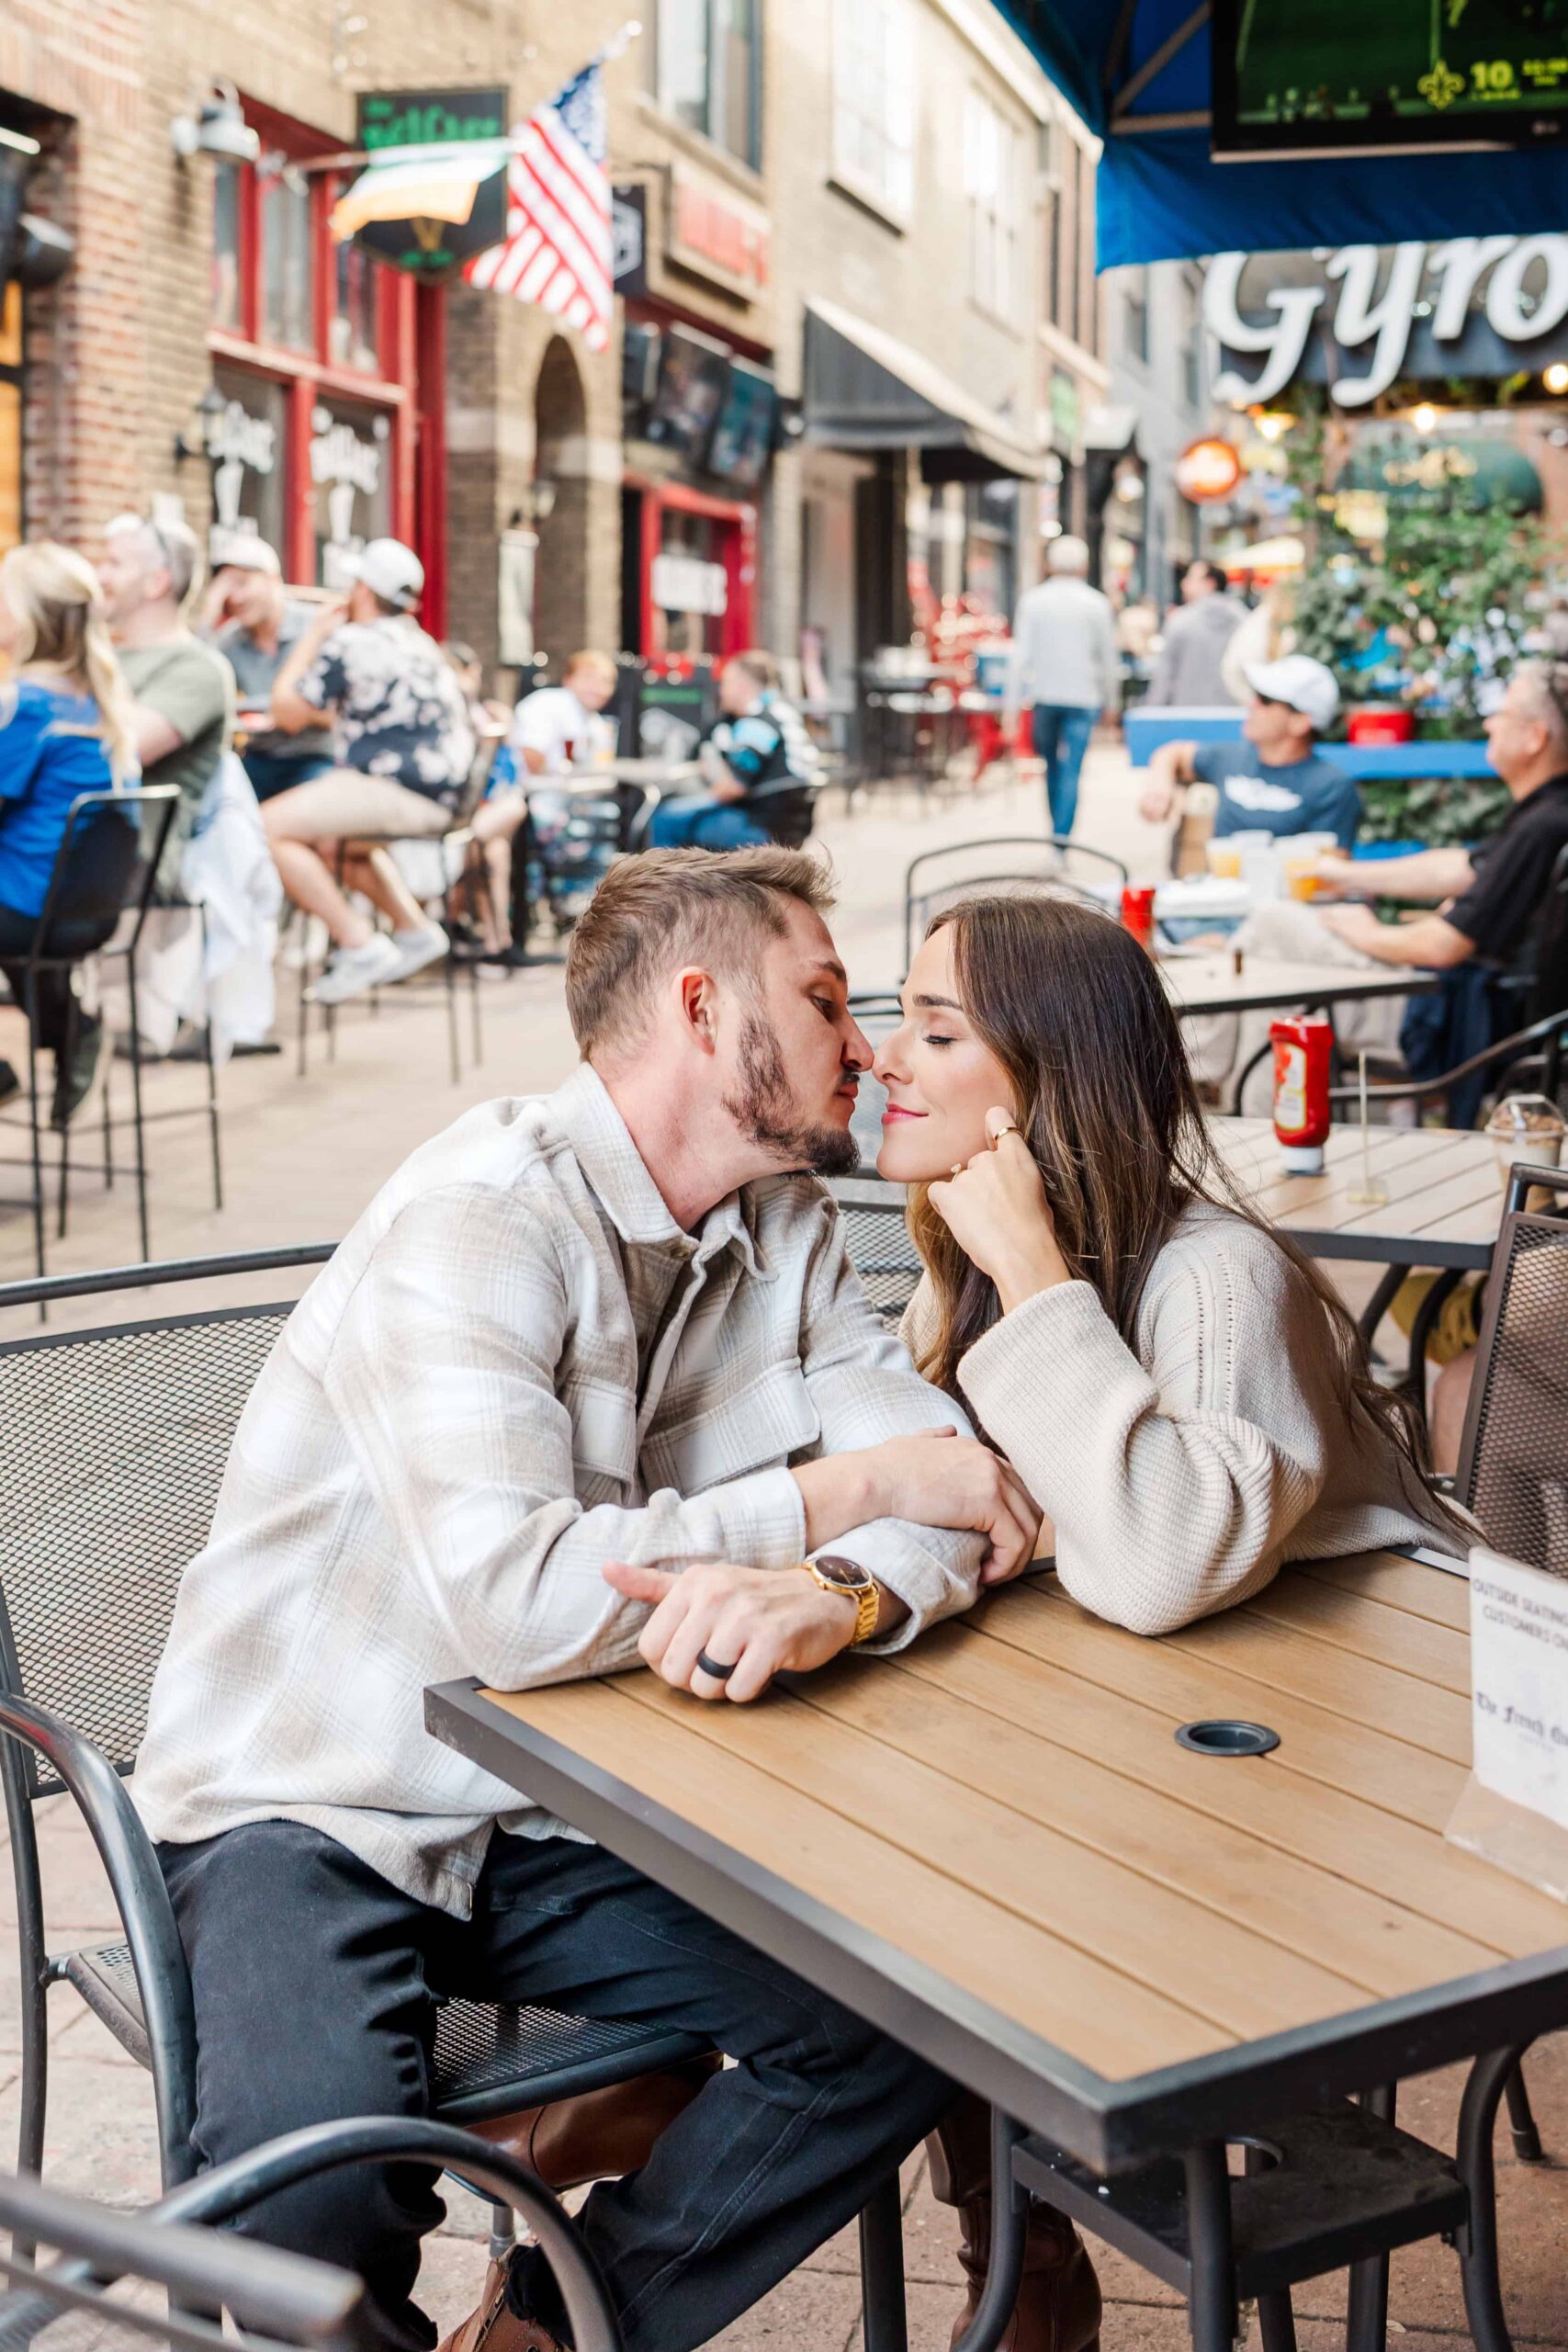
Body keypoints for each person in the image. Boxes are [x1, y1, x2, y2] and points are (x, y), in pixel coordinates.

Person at [131, 844, 1042, 2352]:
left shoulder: (783, 1228)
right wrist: (849, 1501)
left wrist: (836, 1594)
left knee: (913, 2013)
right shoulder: (482, 1213)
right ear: (701, 1009)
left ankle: (557, 2328)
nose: (866, 1047)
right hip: (318, 1802)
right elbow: (522, 1605)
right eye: (824, 1001)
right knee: (298, 2219)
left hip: (566, 1811)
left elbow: (962, 1485)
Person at [872, 888, 1463, 2352]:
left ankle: (1023, 2254)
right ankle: (1012, 2248)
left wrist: (1027, 1273)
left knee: (935, 1877)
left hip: (1336, 1781)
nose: (885, 1055)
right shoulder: (964, 1265)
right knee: (895, 1862)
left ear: (1046, 1079)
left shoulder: (1208, 1276)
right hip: (1146, 1732)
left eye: (933, 1029)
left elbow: (1143, 1564)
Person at [263, 538, 476, 1006]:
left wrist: (314, 634)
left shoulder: (349, 641)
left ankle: (358, 944)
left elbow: (286, 713)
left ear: (360, 590)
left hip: (399, 790)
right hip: (444, 796)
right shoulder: (419, 642)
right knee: (330, 842)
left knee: (264, 829)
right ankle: (414, 930)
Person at [0, 541, 139, 1126]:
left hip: (30, 906)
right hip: (80, 907)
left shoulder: (26, 703)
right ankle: (73, 1029)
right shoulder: (100, 700)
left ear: (26, 619)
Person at [97, 512, 234, 875]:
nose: (99, 576)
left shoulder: (200, 669)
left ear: (156, 583)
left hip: (129, 873)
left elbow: (119, 752)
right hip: (65, 853)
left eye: (114, 564)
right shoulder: (106, 656)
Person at [466, 650, 620, 960]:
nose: (598, 687)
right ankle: (579, 914)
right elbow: (531, 758)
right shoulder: (551, 705)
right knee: (586, 828)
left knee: (605, 821)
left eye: (605, 681)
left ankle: (578, 914)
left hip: (552, 802)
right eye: (589, 678)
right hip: (520, 799)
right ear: (568, 679)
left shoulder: (594, 721)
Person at [1137, 654, 1359, 850]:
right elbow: (1172, 753)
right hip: (1222, 889)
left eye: (1265, 700)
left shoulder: (1331, 787)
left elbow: (1332, 871)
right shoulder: (1232, 757)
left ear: (1300, 721)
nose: (1252, 704)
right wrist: (1160, 787)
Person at [196, 536, 335, 803]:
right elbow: (192, 682)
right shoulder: (229, 641)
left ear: (273, 579)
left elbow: (342, 707)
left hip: (315, 757)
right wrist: (209, 611)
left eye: (241, 583)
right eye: (225, 589)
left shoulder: (315, 628)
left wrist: (295, 713)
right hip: (258, 759)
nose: (234, 597)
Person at [647, 650, 817, 851]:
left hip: (764, 829)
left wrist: (692, 802)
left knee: (665, 818)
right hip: (792, 825)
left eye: (725, 683)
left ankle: (666, 881)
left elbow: (733, 788)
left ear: (741, 686)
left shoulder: (756, 723)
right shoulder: (783, 711)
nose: (721, 691)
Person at [1008, 537, 1119, 838]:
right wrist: (1112, 701)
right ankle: (1061, 838)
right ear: (1084, 566)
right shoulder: (1097, 603)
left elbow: (1020, 657)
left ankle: (1057, 831)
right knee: (1072, 770)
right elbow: (1108, 658)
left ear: (1048, 564)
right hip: (1084, 698)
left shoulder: (1033, 601)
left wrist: (1011, 707)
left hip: (1045, 696)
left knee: (1052, 768)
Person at [1145, 559, 1241, 708]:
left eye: (1190, 578)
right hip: (1234, 713)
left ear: (1210, 583)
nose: (1183, 584)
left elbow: (1165, 675)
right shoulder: (1244, 620)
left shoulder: (1180, 620)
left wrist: (1152, 712)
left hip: (1186, 714)